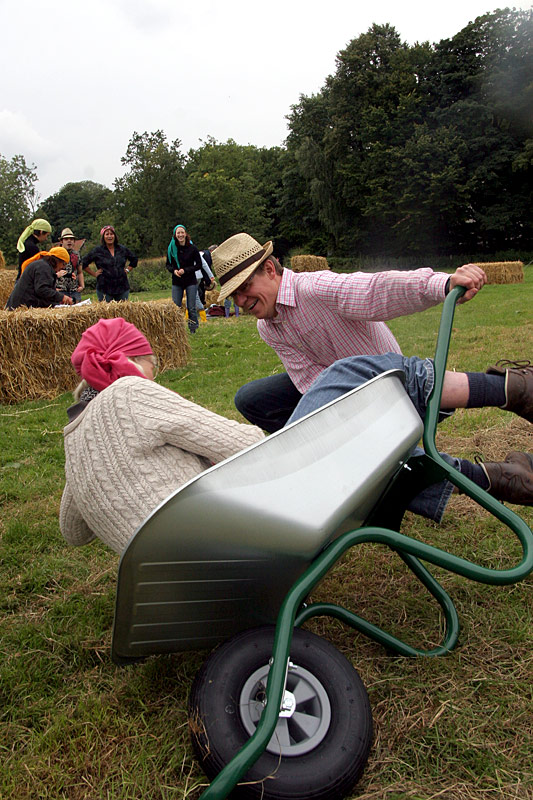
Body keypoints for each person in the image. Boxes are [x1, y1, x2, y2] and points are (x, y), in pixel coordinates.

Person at [212, 233, 533, 516]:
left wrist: (443, 284)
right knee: (252, 399)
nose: (241, 302)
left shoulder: (315, 288)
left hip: (394, 389)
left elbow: (377, 289)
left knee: (343, 382)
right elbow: (307, 380)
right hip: (346, 401)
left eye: (245, 288)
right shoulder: (268, 327)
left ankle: (512, 388)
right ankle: (500, 479)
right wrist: (328, 440)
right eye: (233, 296)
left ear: (270, 269)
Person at [59, 318, 264, 554]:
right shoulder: (129, 392)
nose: (153, 376)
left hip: (158, 578)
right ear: (131, 361)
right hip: (225, 549)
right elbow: (246, 443)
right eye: (152, 364)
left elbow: (73, 531)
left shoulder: (73, 435)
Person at [6, 247, 74, 309]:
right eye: (63, 264)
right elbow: (42, 289)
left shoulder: (42, 265)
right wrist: (62, 297)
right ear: (57, 260)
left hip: (22, 306)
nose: (63, 268)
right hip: (20, 308)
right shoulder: (43, 268)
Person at [82, 225, 137, 302]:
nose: (109, 236)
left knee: (122, 312)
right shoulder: (97, 251)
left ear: (115, 236)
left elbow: (134, 259)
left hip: (122, 287)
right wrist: (94, 274)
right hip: (104, 288)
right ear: (103, 237)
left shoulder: (122, 249)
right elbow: (83, 263)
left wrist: (128, 270)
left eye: (111, 234)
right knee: (106, 313)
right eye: (107, 234)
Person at [166, 224, 203, 333]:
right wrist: (174, 271)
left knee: (191, 307)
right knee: (176, 306)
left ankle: (193, 328)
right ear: (175, 235)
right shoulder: (171, 249)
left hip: (190, 280)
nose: (180, 235)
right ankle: (176, 329)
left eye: (182, 232)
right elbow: (168, 264)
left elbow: (199, 265)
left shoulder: (192, 248)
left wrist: (185, 270)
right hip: (177, 281)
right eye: (178, 233)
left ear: (186, 234)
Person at [56, 227, 84, 303]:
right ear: (61, 241)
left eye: (71, 239)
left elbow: (80, 272)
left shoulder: (77, 254)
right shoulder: (56, 254)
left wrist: (82, 286)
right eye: (66, 239)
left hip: (74, 289)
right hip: (60, 290)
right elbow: (49, 272)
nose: (69, 241)